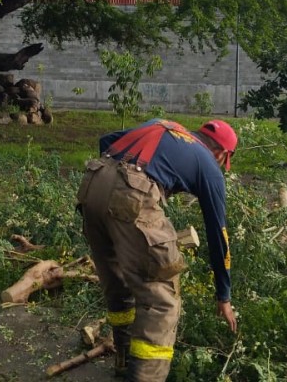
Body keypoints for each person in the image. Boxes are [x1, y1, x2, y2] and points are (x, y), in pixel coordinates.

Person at [76, 118, 238, 382]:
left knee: (119, 283)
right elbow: (217, 234)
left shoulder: (165, 126)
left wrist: (113, 189)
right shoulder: (209, 165)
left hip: (93, 182)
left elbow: (107, 141)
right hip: (130, 192)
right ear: (221, 153)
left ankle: (124, 360)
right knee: (162, 299)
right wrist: (224, 296)